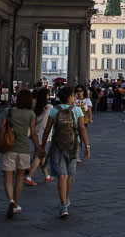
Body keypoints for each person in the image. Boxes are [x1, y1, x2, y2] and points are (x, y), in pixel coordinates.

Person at [40, 86, 91, 219]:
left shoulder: (54, 110)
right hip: (74, 145)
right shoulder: (77, 110)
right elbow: (81, 129)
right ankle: (66, 199)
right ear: (69, 97)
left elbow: (47, 130)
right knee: (69, 175)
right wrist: (87, 146)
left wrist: (42, 145)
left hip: (57, 145)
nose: (74, 97)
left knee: (61, 175)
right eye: (73, 95)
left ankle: (63, 205)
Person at [0, 89, 41, 218]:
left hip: (8, 148)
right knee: (20, 178)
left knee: (8, 178)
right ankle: (16, 204)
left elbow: (1, 129)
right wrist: (38, 147)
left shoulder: (8, 111)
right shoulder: (31, 114)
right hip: (24, 149)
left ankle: (10, 200)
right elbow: (32, 133)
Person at [26, 87, 54, 186]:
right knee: (39, 156)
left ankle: (47, 176)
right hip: (43, 134)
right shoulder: (49, 107)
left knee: (42, 156)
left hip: (35, 133)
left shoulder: (34, 105)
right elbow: (45, 123)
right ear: (46, 96)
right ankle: (29, 177)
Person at [73, 85, 93, 162]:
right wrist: (74, 98)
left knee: (80, 138)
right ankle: (75, 154)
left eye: (81, 90)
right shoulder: (74, 100)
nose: (79, 92)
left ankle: (77, 155)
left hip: (84, 121)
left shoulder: (87, 100)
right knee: (75, 138)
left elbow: (89, 110)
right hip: (74, 121)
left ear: (84, 91)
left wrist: (90, 119)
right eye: (77, 91)